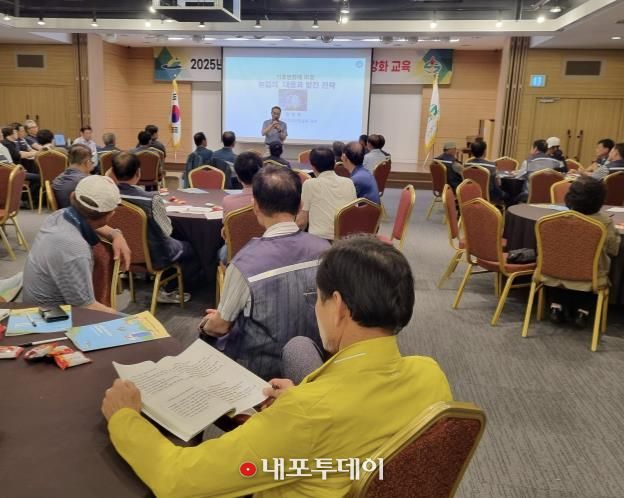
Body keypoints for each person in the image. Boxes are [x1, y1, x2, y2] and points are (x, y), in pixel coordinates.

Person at [101, 236, 452, 498]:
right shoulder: (429, 373)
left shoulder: (307, 413)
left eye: (318, 299)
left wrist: (125, 418)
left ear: (339, 307)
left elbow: (177, 478)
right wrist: (303, 399)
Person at [199, 165, 330, 380]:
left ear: (255, 206)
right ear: (300, 205)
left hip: (258, 375)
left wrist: (208, 324)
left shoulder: (243, 263)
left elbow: (220, 327)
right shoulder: (325, 250)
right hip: (313, 367)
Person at [22, 175, 130, 312]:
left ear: (73, 196)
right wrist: (133, 321)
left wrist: (115, 234)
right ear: (110, 215)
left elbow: (94, 222)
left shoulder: (58, 216)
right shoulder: (76, 250)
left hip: (33, 306)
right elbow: (87, 307)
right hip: (51, 318)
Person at [109, 152, 196, 304]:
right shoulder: (150, 199)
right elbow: (167, 230)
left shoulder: (108, 196)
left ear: (113, 172)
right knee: (190, 247)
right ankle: (169, 289)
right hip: (156, 255)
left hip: (121, 252)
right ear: (138, 172)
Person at [547, 177, 621, 328]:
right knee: (592, 267)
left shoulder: (553, 220)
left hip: (554, 273)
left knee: (563, 263)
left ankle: (556, 306)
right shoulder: (604, 223)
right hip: (589, 276)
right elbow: (613, 250)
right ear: (601, 200)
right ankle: (583, 311)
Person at [296, 146, 356, 240]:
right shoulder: (349, 182)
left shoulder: (310, 184)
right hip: (345, 240)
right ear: (335, 163)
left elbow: (302, 222)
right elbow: (354, 213)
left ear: (312, 166)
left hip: (319, 240)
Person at [218, 152, 263, 263]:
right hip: (265, 254)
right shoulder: (271, 199)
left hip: (235, 256)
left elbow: (226, 233)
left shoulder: (228, 201)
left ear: (237, 177)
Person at [52, 144, 94, 209]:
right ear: (88, 162)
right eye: (92, 160)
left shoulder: (58, 178)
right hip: (81, 214)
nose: (93, 163)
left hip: (65, 213)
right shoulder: (85, 181)